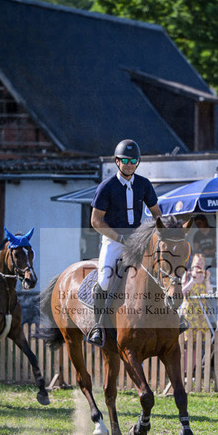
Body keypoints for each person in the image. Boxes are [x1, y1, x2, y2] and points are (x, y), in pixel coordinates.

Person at [88, 139, 162, 346]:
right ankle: (98, 326)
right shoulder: (107, 187)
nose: (129, 164)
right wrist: (120, 238)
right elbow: (95, 221)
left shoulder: (144, 184)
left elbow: (157, 214)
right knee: (104, 280)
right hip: (114, 240)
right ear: (117, 161)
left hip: (138, 240)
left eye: (133, 161)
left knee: (160, 270)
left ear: (138, 162)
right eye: (125, 160)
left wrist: (157, 233)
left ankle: (172, 316)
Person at [180, 254, 213, 367]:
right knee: (187, 343)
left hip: (201, 313)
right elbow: (182, 292)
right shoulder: (187, 275)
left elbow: (209, 293)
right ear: (193, 264)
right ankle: (186, 370)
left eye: (202, 263)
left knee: (197, 343)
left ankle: (193, 369)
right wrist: (192, 280)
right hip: (189, 313)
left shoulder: (204, 277)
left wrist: (207, 279)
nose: (199, 266)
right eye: (197, 263)